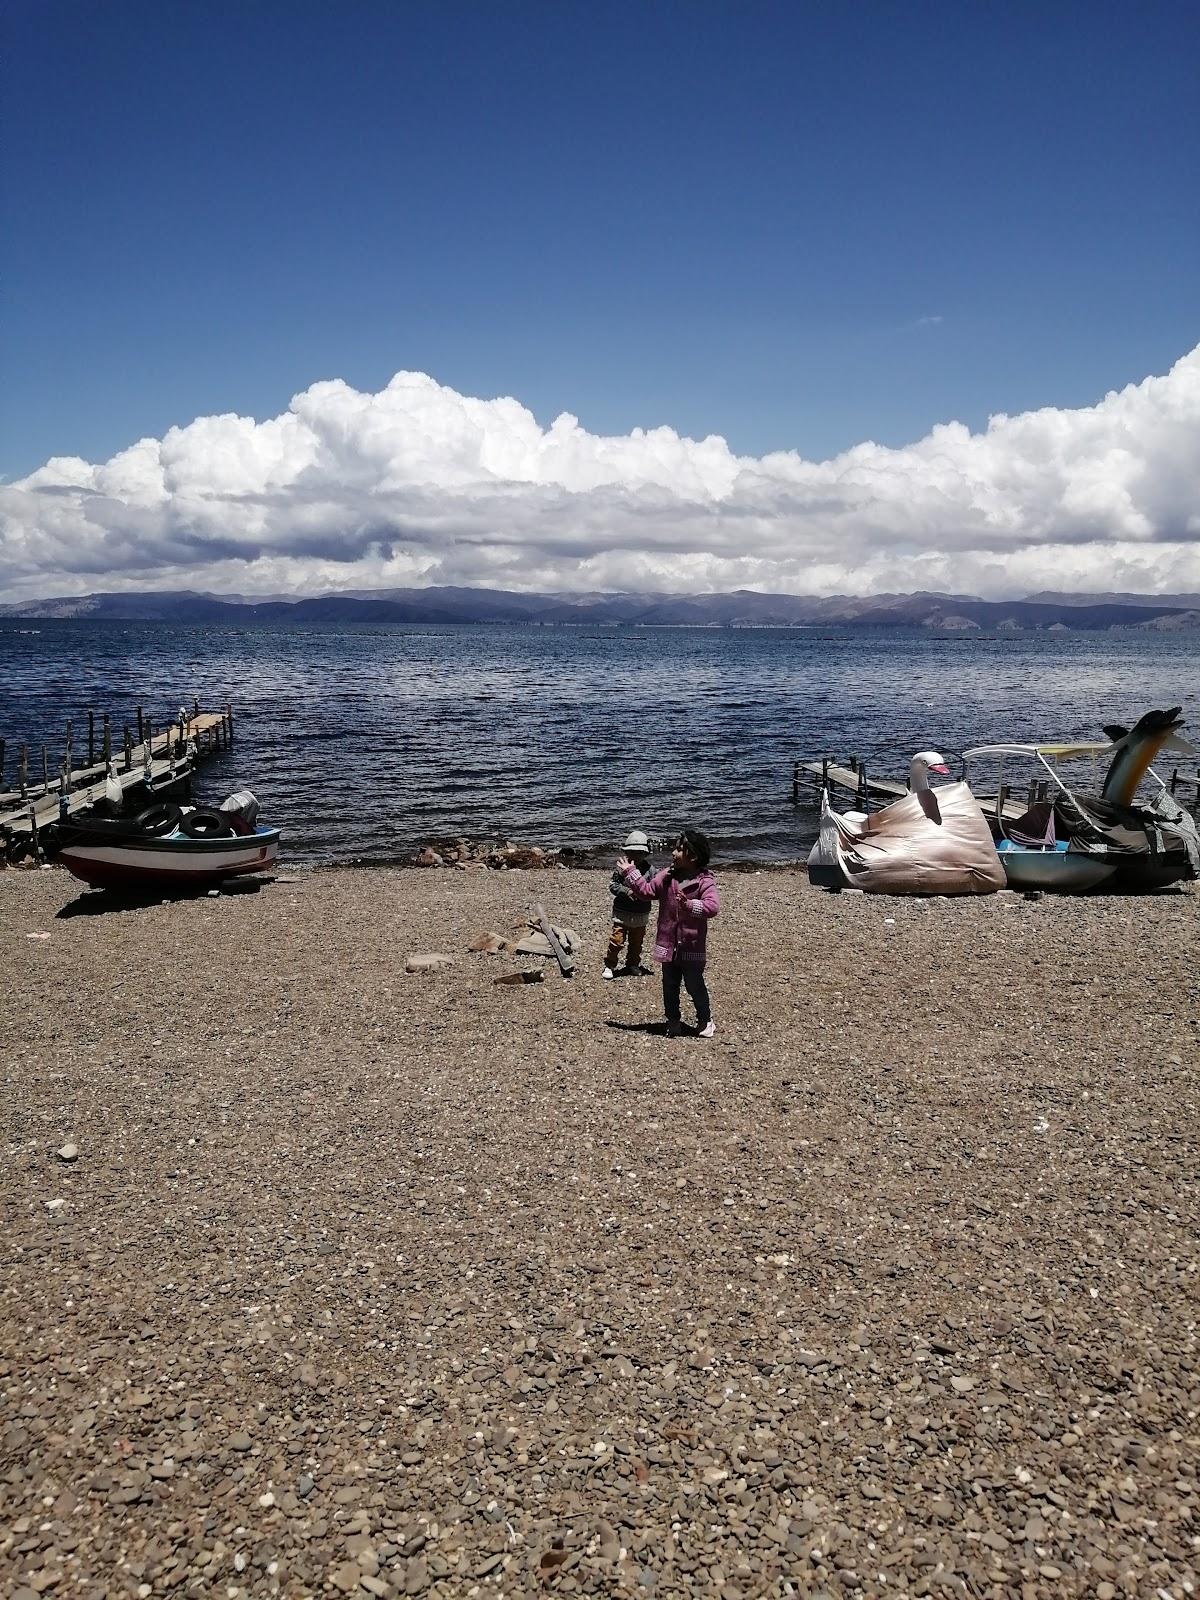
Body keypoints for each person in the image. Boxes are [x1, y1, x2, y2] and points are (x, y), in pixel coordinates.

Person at [615, 827, 719, 1037]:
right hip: (668, 946)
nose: (673, 853)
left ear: (693, 856)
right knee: (669, 986)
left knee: (694, 985)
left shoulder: (704, 881)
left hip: (692, 947)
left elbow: (712, 907)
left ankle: (705, 1019)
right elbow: (646, 892)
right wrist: (630, 873)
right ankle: (673, 1020)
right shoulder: (666, 876)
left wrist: (689, 905)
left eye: (679, 849)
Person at [603, 829, 654, 979]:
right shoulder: (620, 869)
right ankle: (610, 964)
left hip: (641, 913)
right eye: (632, 853)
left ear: (645, 854)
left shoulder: (650, 870)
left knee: (636, 942)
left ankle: (633, 963)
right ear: (626, 853)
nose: (635, 856)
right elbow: (613, 886)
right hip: (622, 912)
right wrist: (627, 891)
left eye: (639, 853)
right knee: (616, 940)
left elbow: (654, 889)